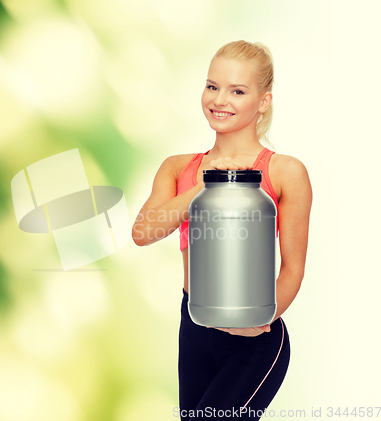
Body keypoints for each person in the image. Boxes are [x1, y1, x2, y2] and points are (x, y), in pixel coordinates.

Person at [131, 40, 313, 420]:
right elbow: (143, 231)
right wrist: (208, 184)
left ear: (263, 101)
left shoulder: (284, 172)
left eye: (237, 91)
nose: (220, 100)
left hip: (253, 341)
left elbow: (293, 268)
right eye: (213, 86)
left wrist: (257, 319)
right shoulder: (178, 168)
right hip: (194, 328)